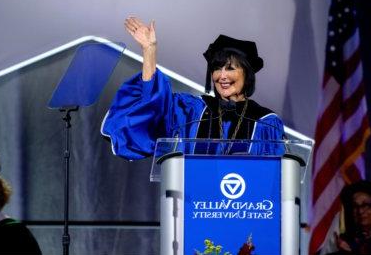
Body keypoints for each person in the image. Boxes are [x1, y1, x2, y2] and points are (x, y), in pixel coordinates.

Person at [101, 16, 285, 160]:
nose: (222, 76)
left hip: (246, 207)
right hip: (194, 206)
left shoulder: (265, 122)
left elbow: (274, 181)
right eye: (216, 68)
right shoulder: (192, 111)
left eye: (230, 68)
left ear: (247, 74)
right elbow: (153, 108)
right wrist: (150, 51)